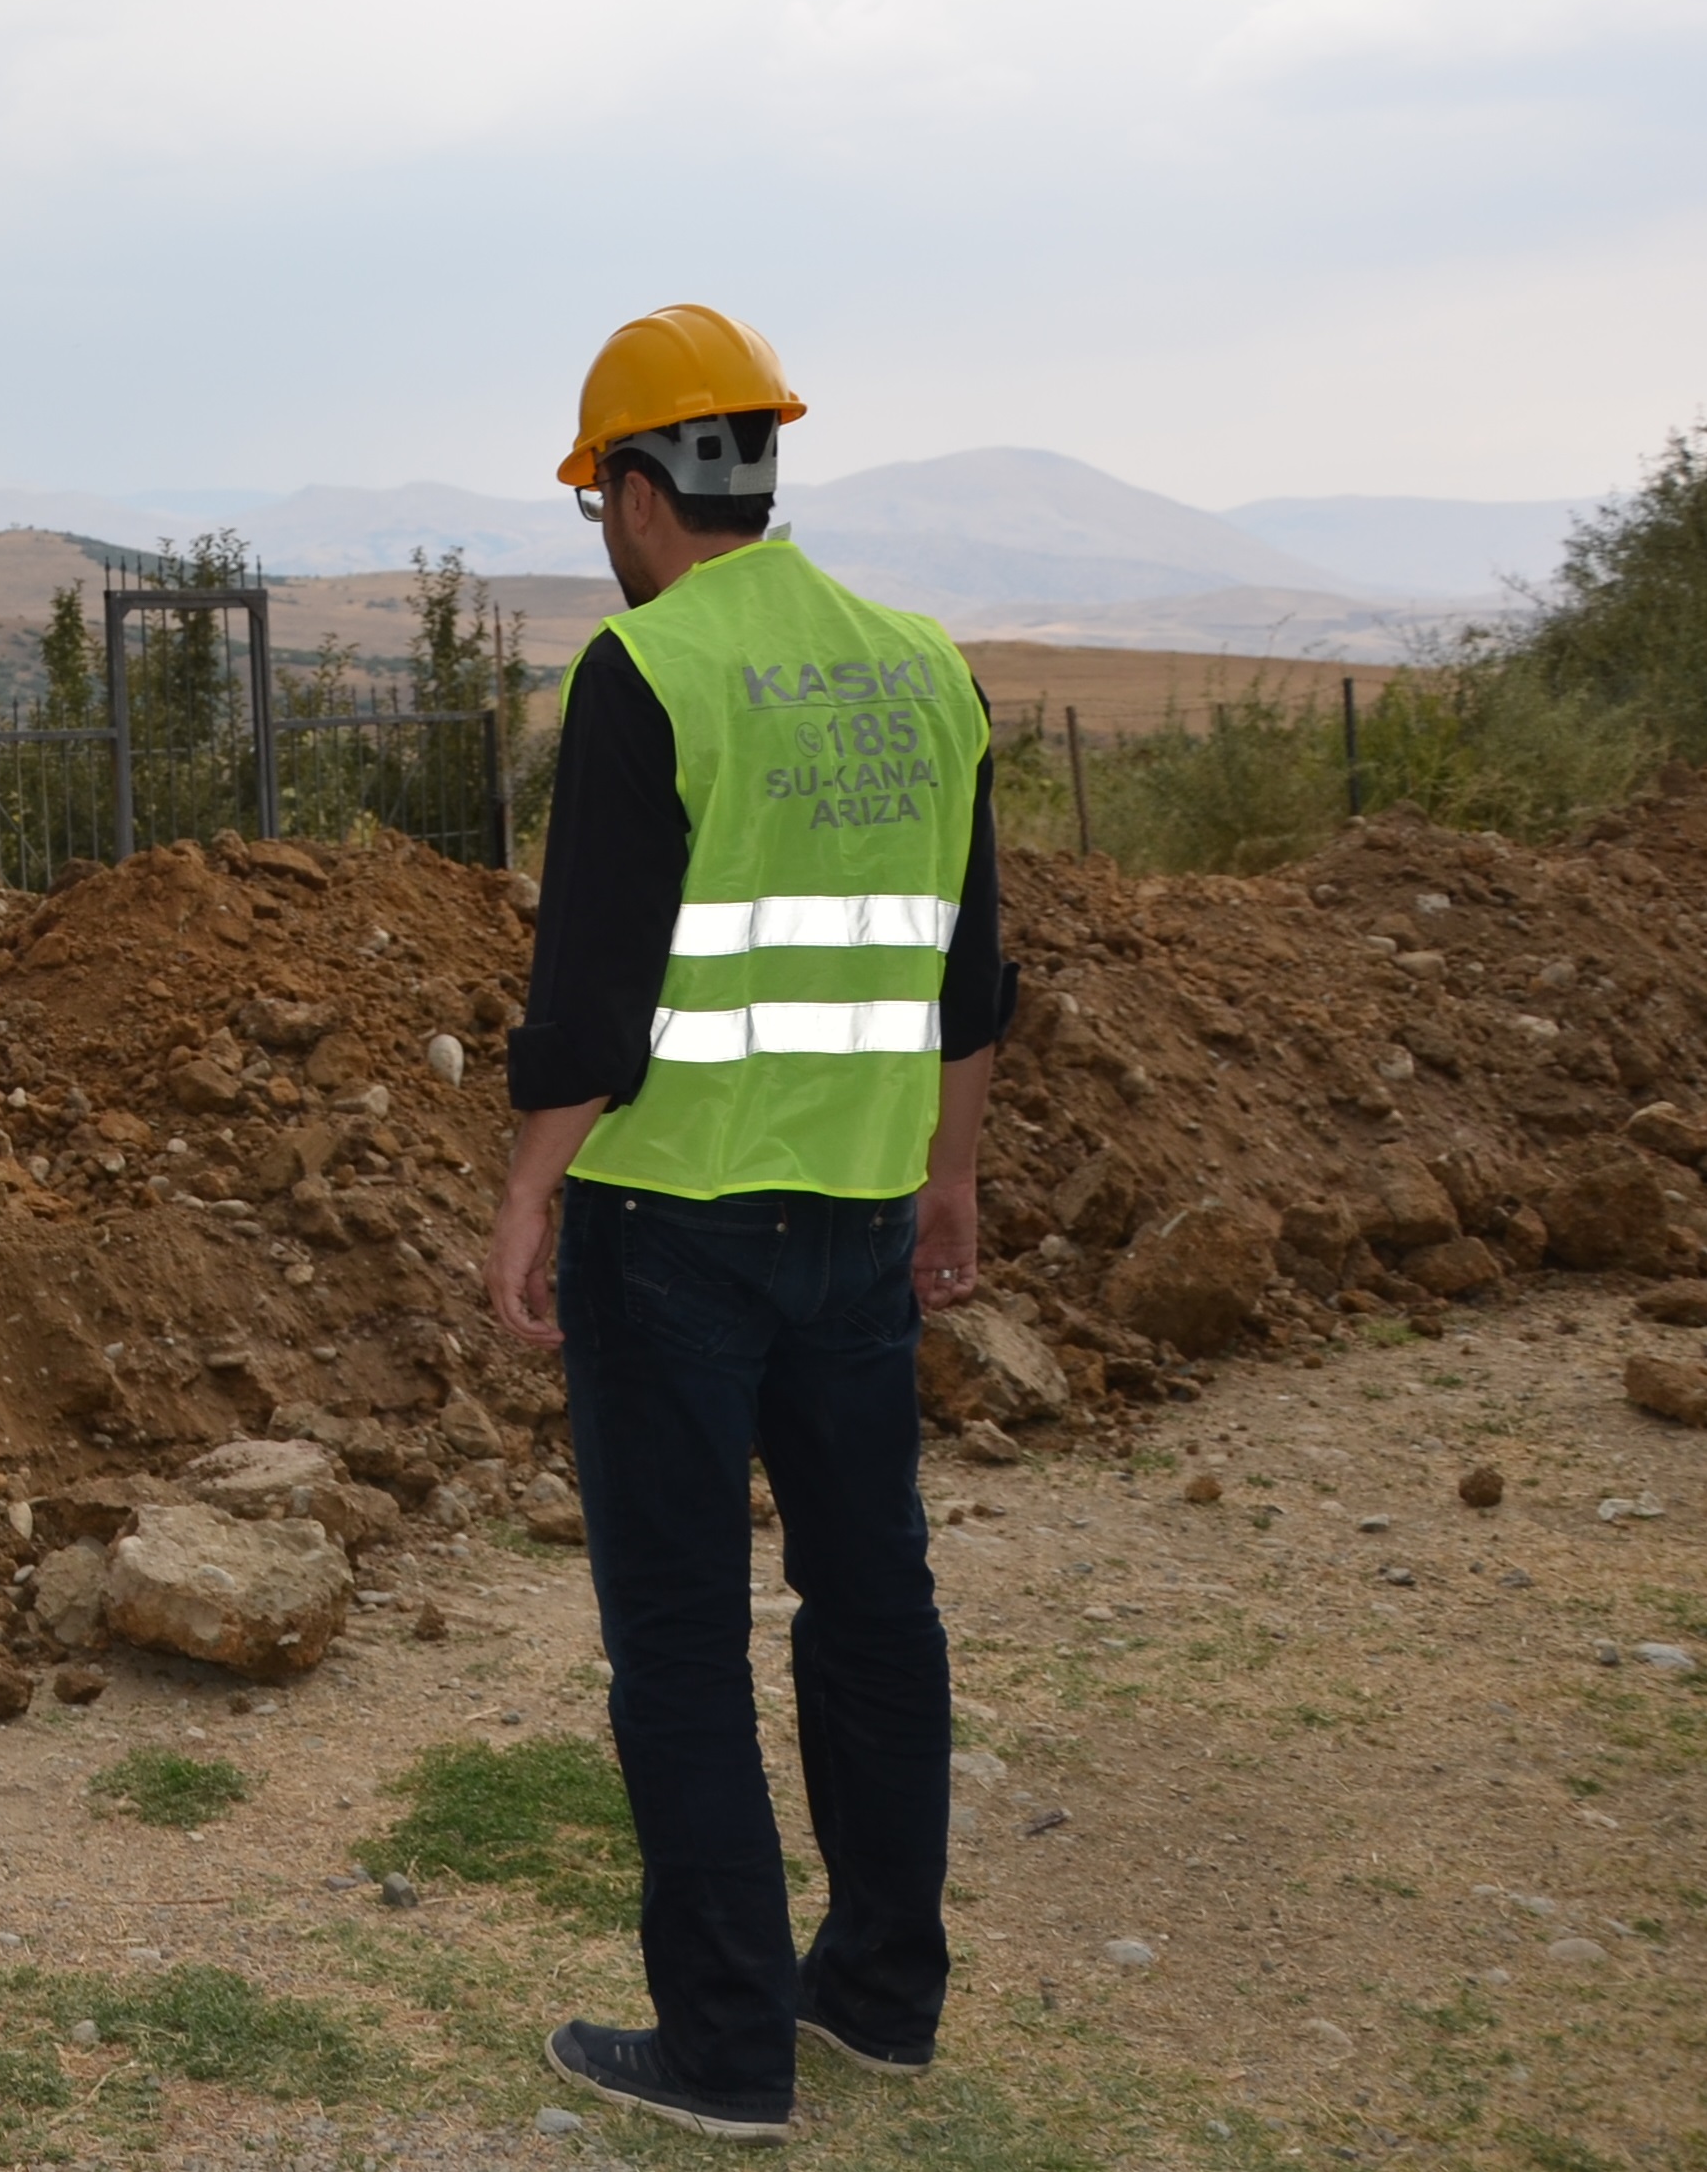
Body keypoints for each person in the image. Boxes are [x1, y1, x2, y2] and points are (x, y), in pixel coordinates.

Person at [483, 305, 1012, 2145]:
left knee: (684, 1639)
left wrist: (526, 1197)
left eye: (595, 505)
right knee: (873, 1605)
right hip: (864, 1218)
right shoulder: (921, 667)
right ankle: (876, 1992)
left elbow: (591, 1005)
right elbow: (969, 975)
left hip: (672, 1230)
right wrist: (950, 1176)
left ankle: (721, 2051)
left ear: (636, 490)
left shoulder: (650, 676)